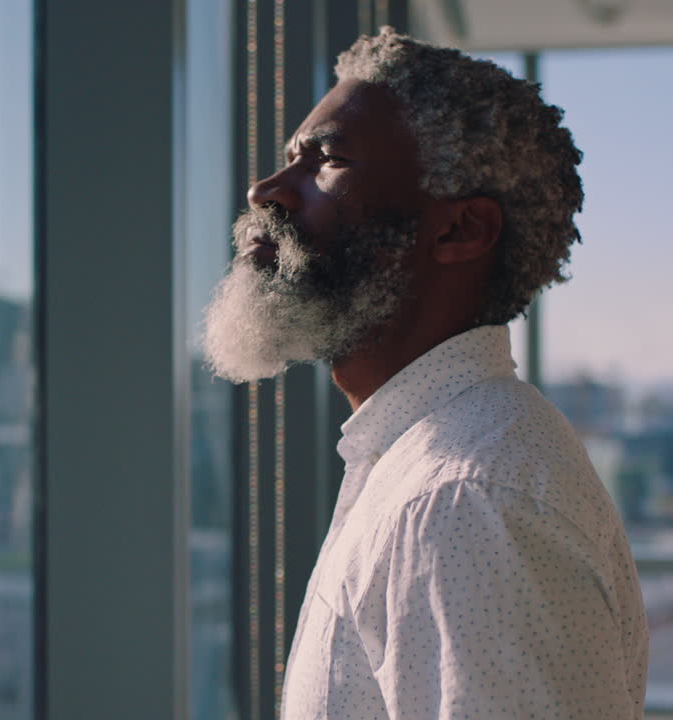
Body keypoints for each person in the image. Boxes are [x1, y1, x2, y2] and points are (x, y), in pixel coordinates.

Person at [203, 29, 648, 719]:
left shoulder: (465, 500)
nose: (266, 190)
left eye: (327, 160)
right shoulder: (427, 462)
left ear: (460, 230)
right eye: (290, 159)